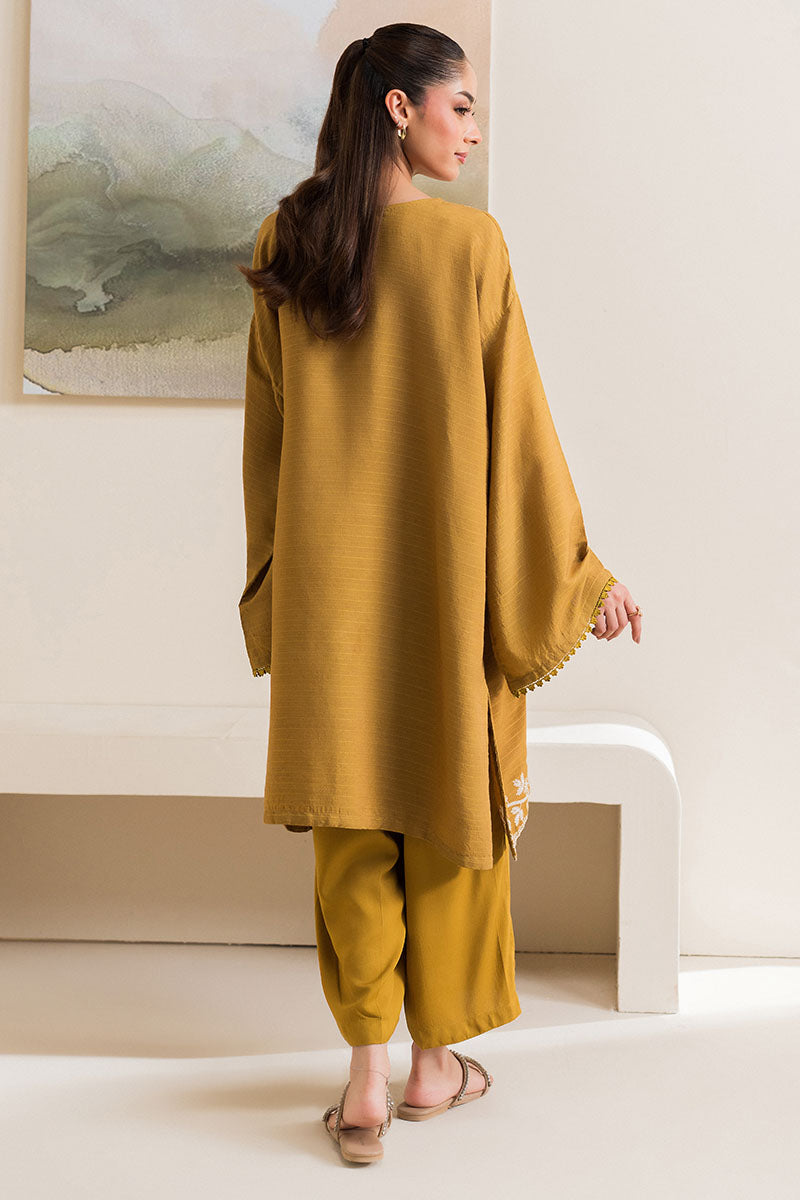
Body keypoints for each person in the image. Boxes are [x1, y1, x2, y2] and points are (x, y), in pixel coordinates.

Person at [236, 22, 642, 1165]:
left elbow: (266, 441)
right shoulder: (469, 247)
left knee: (350, 825)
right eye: (459, 105)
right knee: (450, 813)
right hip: (442, 592)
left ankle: (364, 1084)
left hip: (328, 601)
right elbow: (519, 432)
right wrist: (578, 576)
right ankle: (433, 1066)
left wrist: (272, 591)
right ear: (398, 108)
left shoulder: (284, 240)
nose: (471, 129)